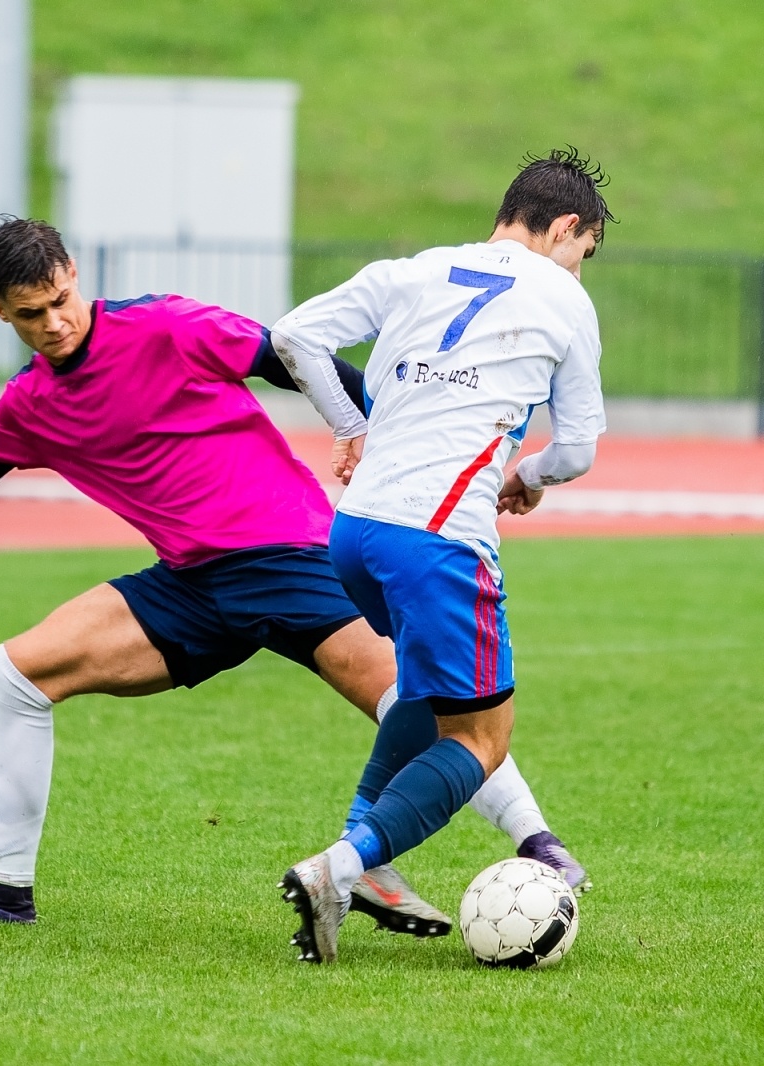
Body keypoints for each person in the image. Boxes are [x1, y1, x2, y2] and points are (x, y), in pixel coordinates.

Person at [0, 218, 588, 932]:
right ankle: (6, 894)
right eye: (31, 314)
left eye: (62, 299)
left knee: (417, 698)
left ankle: (534, 844)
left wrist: (379, 433)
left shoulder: (168, 326)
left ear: (75, 273)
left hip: (288, 551)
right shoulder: (32, 403)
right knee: (14, 673)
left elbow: (288, 357)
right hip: (191, 586)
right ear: (0, 313)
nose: (56, 322)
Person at [272, 148, 612, 963]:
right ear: (567, 228)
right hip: (440, 539)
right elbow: (578, 451)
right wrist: (525, 478)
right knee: (482, 738)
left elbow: (293, 337)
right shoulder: (563, 297)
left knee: (428, 692)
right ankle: (341, 865)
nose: (580, 267)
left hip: (354, 531)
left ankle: (369, 858)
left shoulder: (418, 269)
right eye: (584, 250)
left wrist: (350, 427)